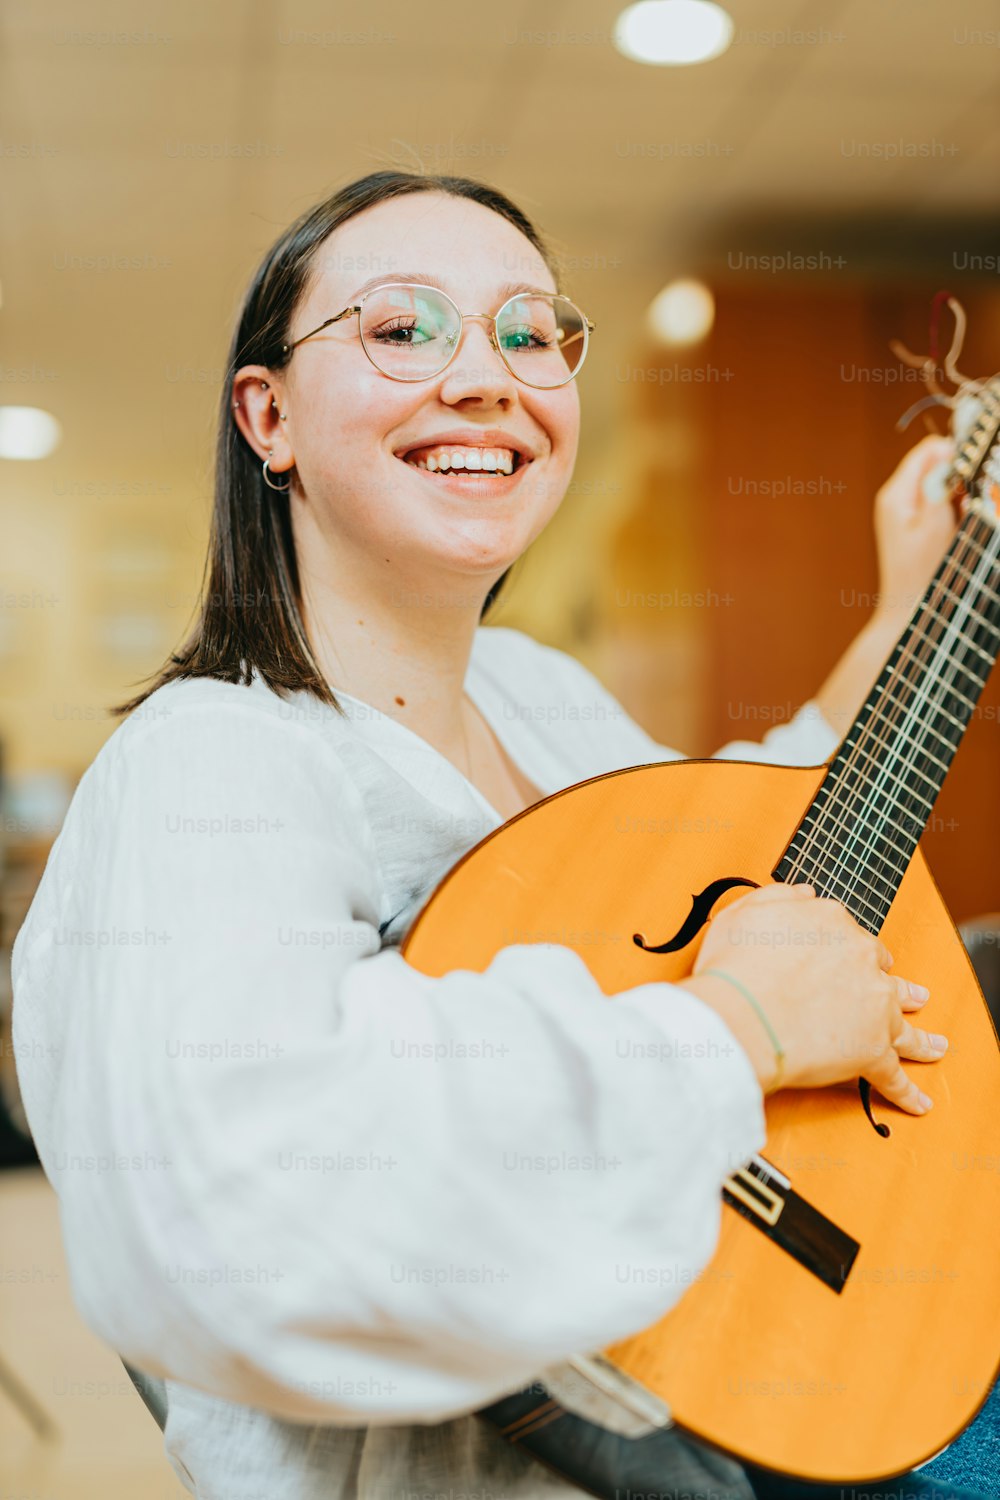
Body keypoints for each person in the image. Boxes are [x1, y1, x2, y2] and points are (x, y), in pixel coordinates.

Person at [10, 171, 991, 1500]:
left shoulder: (541, 695)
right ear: (269, 415)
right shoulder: (210, 761)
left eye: (532, 333)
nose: (487, 377)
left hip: (780, 1357)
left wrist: (908, 612)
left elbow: (743, 849)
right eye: (402, 328)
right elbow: (253, 1217)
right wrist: (740, 1030)